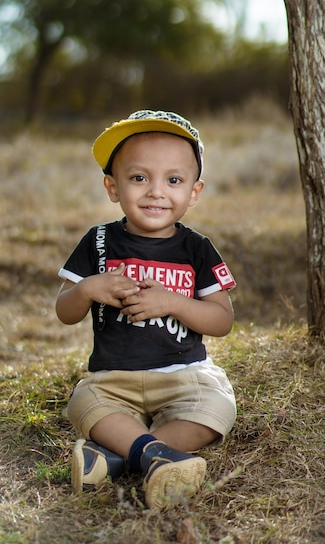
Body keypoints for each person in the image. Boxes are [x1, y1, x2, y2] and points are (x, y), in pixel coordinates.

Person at [56, 109, 237, 511]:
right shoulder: (99, 241)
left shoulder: (197, 248)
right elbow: (64, 311)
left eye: (173, 180)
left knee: (217, 409)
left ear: (193, 191)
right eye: (139, 178)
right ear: (112, 187)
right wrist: (88, 288)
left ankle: (120, 456)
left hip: (183, 377)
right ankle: (157, 458)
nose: (156, 191)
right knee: (84, 403)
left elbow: (222, 320)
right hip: (115, 379)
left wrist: (172, 302)